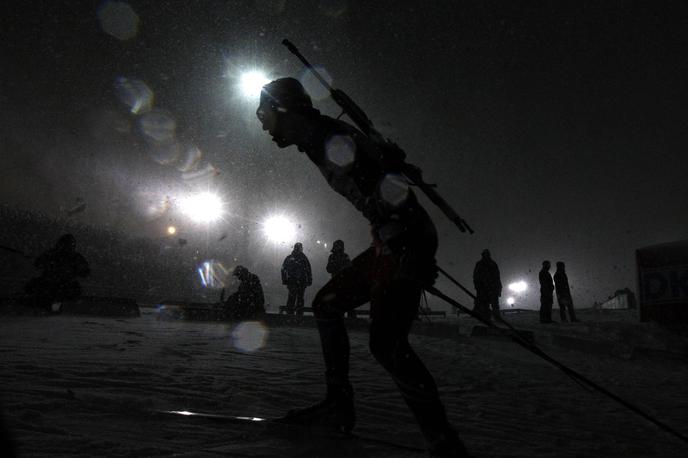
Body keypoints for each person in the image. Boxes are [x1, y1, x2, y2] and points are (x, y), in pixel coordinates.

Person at [257, 77, 467, 456]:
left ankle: (443, 440)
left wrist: (409, 252)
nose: (262, 125)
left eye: (264, 114)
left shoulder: (327, 138)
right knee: (327, 305)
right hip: (395, 236)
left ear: (284, 110)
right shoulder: (317, 137)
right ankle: (339, 404)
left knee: (386, 343)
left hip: (402, 236)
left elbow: (385, 183)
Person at [24, 233, 90, 312]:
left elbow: (85, 272)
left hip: (60, 285)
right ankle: (48, 303)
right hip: (53, 284)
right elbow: (38, 264)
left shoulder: (55, 254)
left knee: (69, 290)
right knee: (35, 287)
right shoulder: (55, 254)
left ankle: (51, 304)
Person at [326, 239, 356, 318]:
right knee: (346, 299)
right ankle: (350, 317)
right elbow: (350, 269)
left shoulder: (332, 256)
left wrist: (335, 267)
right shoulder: (345, 256)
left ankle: (339, 316)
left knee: (338, 300)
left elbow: (328, 269)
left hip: (337, 281)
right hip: (343, 281)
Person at [281, 242, 312, 316]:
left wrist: (284, 279)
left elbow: (283, 269)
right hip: (301, 281)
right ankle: (299, 316)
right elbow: (308, 270)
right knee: (299, 299)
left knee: (292, 298)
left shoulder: (289, 258)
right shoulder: (304, 259)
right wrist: (309, 279)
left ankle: (290, 315)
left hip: (292, 281)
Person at [472, 249, 502, 323]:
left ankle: (495, 319)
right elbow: (476, 277)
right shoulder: (481, 264)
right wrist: (478, 286)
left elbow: (497, 277)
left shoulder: (492, 264)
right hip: (484, 288)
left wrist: (498, 287)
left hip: (491, 288)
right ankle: (488, 319)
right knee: (486, 305)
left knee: (493, 305)